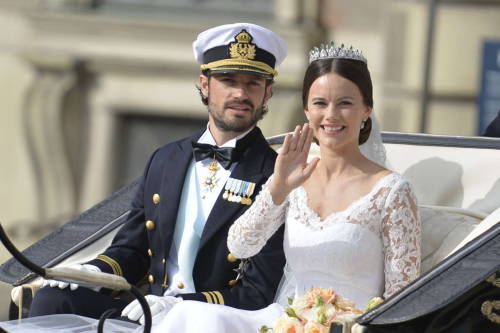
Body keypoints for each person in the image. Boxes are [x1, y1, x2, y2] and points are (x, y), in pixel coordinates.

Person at [150, 42, 422, 332]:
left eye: (345, 103)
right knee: (194, 314)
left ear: (366, 109)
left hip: (352, 327)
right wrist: (278, 187)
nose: (331, 115)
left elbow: (402, 302)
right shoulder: (293, 177)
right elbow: (240, 246)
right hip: (285, 321)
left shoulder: (391, 191)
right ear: (306, 110)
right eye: (320, 103)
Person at [28, 22, 288, 323]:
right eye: (228, 80)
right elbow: (133, 249)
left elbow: (256, 293)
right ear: (205, 84)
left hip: (210, 319)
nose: (241, 93)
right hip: (149, 310)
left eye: (253, 83)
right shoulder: (166, 158)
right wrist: (94, 271)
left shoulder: (276, 175)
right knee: (54, 300)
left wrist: (182, 306)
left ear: (268, 92)